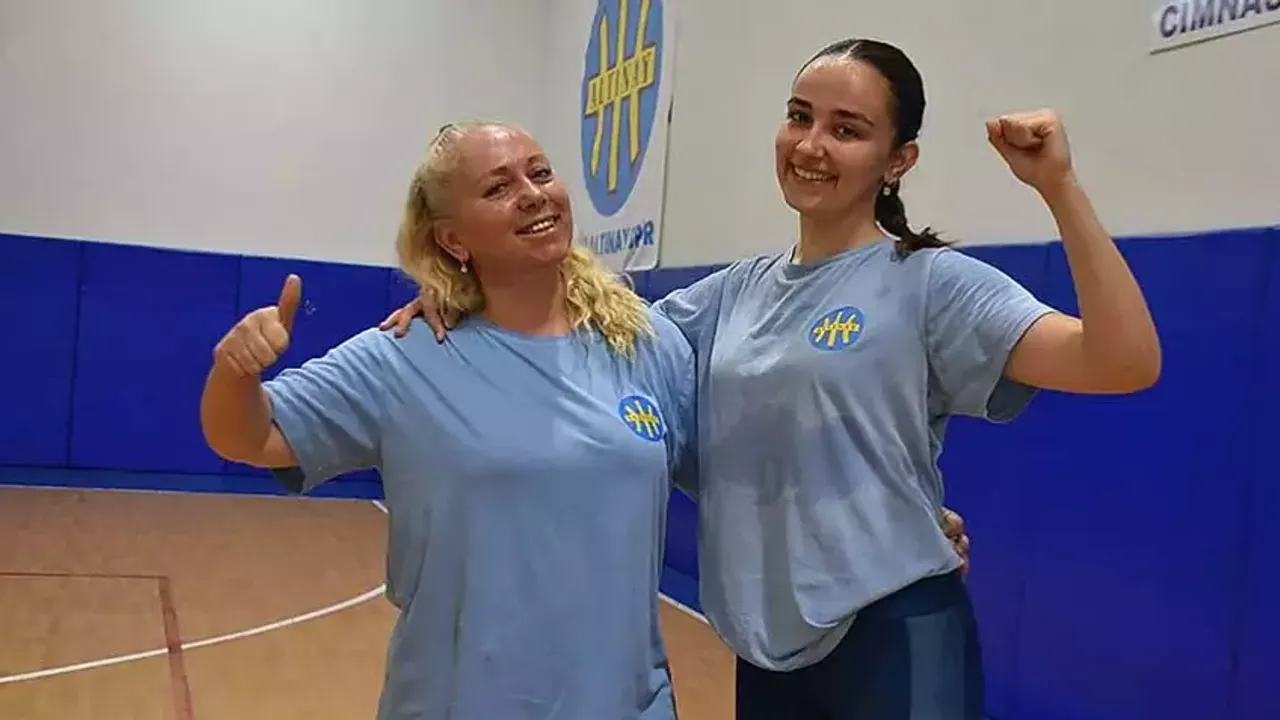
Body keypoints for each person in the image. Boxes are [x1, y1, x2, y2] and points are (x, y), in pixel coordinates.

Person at [379, 37, 1160, 720]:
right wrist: (464, 288)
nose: (811, 144)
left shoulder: (930, 282)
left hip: (892, 632)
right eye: (799, 116)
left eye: (847, 129)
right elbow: (574, 331)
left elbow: (1122, 360)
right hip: (767, 648)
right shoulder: (728, 297)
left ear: (898, 161)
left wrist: (1059, 186)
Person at [199, 120, 700, 719]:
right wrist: (234, 372)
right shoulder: (404, 357)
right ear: (453, 239)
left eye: (540, 173)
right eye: (498, 188)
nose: (533, 194)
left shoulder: (647, 343)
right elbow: (249, 436)